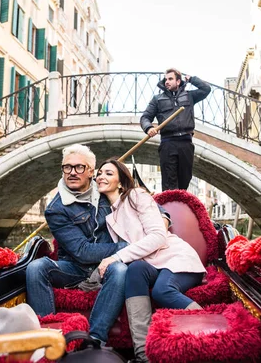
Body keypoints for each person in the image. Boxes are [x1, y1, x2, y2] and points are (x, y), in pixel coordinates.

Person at [25, 144, 170, 346]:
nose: (72, 173)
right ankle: (48, 337)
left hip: (112, 265)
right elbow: (82, 252)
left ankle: (95, 338)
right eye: (67, 167)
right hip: (77, 267)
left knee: (119, 269)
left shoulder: (104, 186)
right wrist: (125, 247)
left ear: (91, 171)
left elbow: (147, 202)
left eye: (79, 167)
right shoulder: (56, 209)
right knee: (35, 268)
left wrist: (163, 219)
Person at [95, 158, 205, 363]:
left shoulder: (136, 195)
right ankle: (143, 355)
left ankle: (207, 330)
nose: (101, 176)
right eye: (99, 173)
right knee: (135, 270)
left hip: (176, 259)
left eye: (109, 173)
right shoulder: (109, 213)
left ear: (120, 182)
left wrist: (115, 257)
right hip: (151, 265)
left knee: (162, 291)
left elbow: (158, 236)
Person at [140, 68, 211, 191]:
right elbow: (145, 117)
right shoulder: (157, 99)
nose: (166, 81)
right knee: (169, 182)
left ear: (178, 81)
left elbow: (206, 89)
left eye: (170, 79)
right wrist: (149, 128)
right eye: (166, 79)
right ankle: (170, 208)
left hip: (186, 143)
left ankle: (180, 205)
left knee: (185, 179)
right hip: (168, 143)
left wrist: (192, 79)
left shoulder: (189, 96)